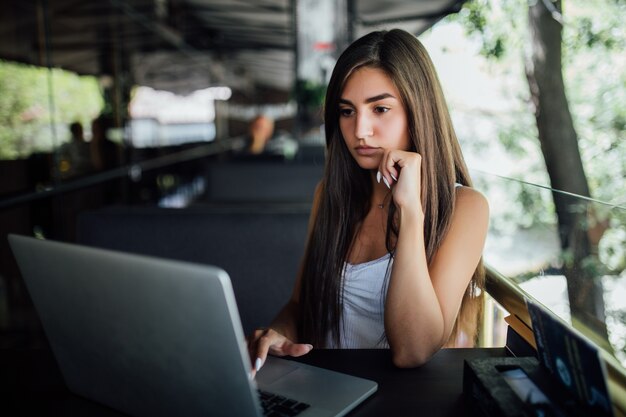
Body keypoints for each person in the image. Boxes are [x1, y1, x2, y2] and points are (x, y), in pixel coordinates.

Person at [248, 29, 489, 372]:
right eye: (347, 111)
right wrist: (277, 335)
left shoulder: (465, 207)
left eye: (380, 108)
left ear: (418, 111)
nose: (360, 130)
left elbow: (413, 350)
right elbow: (300, 306)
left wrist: (410, 210)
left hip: (401, 401)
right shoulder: (331, 195)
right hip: (325, 389)